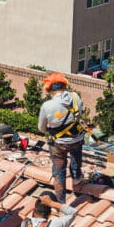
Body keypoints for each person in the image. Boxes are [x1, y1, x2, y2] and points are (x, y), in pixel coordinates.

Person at [38, 72, 85, 203]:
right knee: (76, 154)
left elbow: (41, 128)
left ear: (50, 89)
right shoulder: (75, 97)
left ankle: (61, 202)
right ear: (64, 85)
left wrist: (53, 128)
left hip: (58, 143)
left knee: (59, 171)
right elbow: (79, 115)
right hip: (77, 139)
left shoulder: (47, 106)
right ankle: (76, 177)